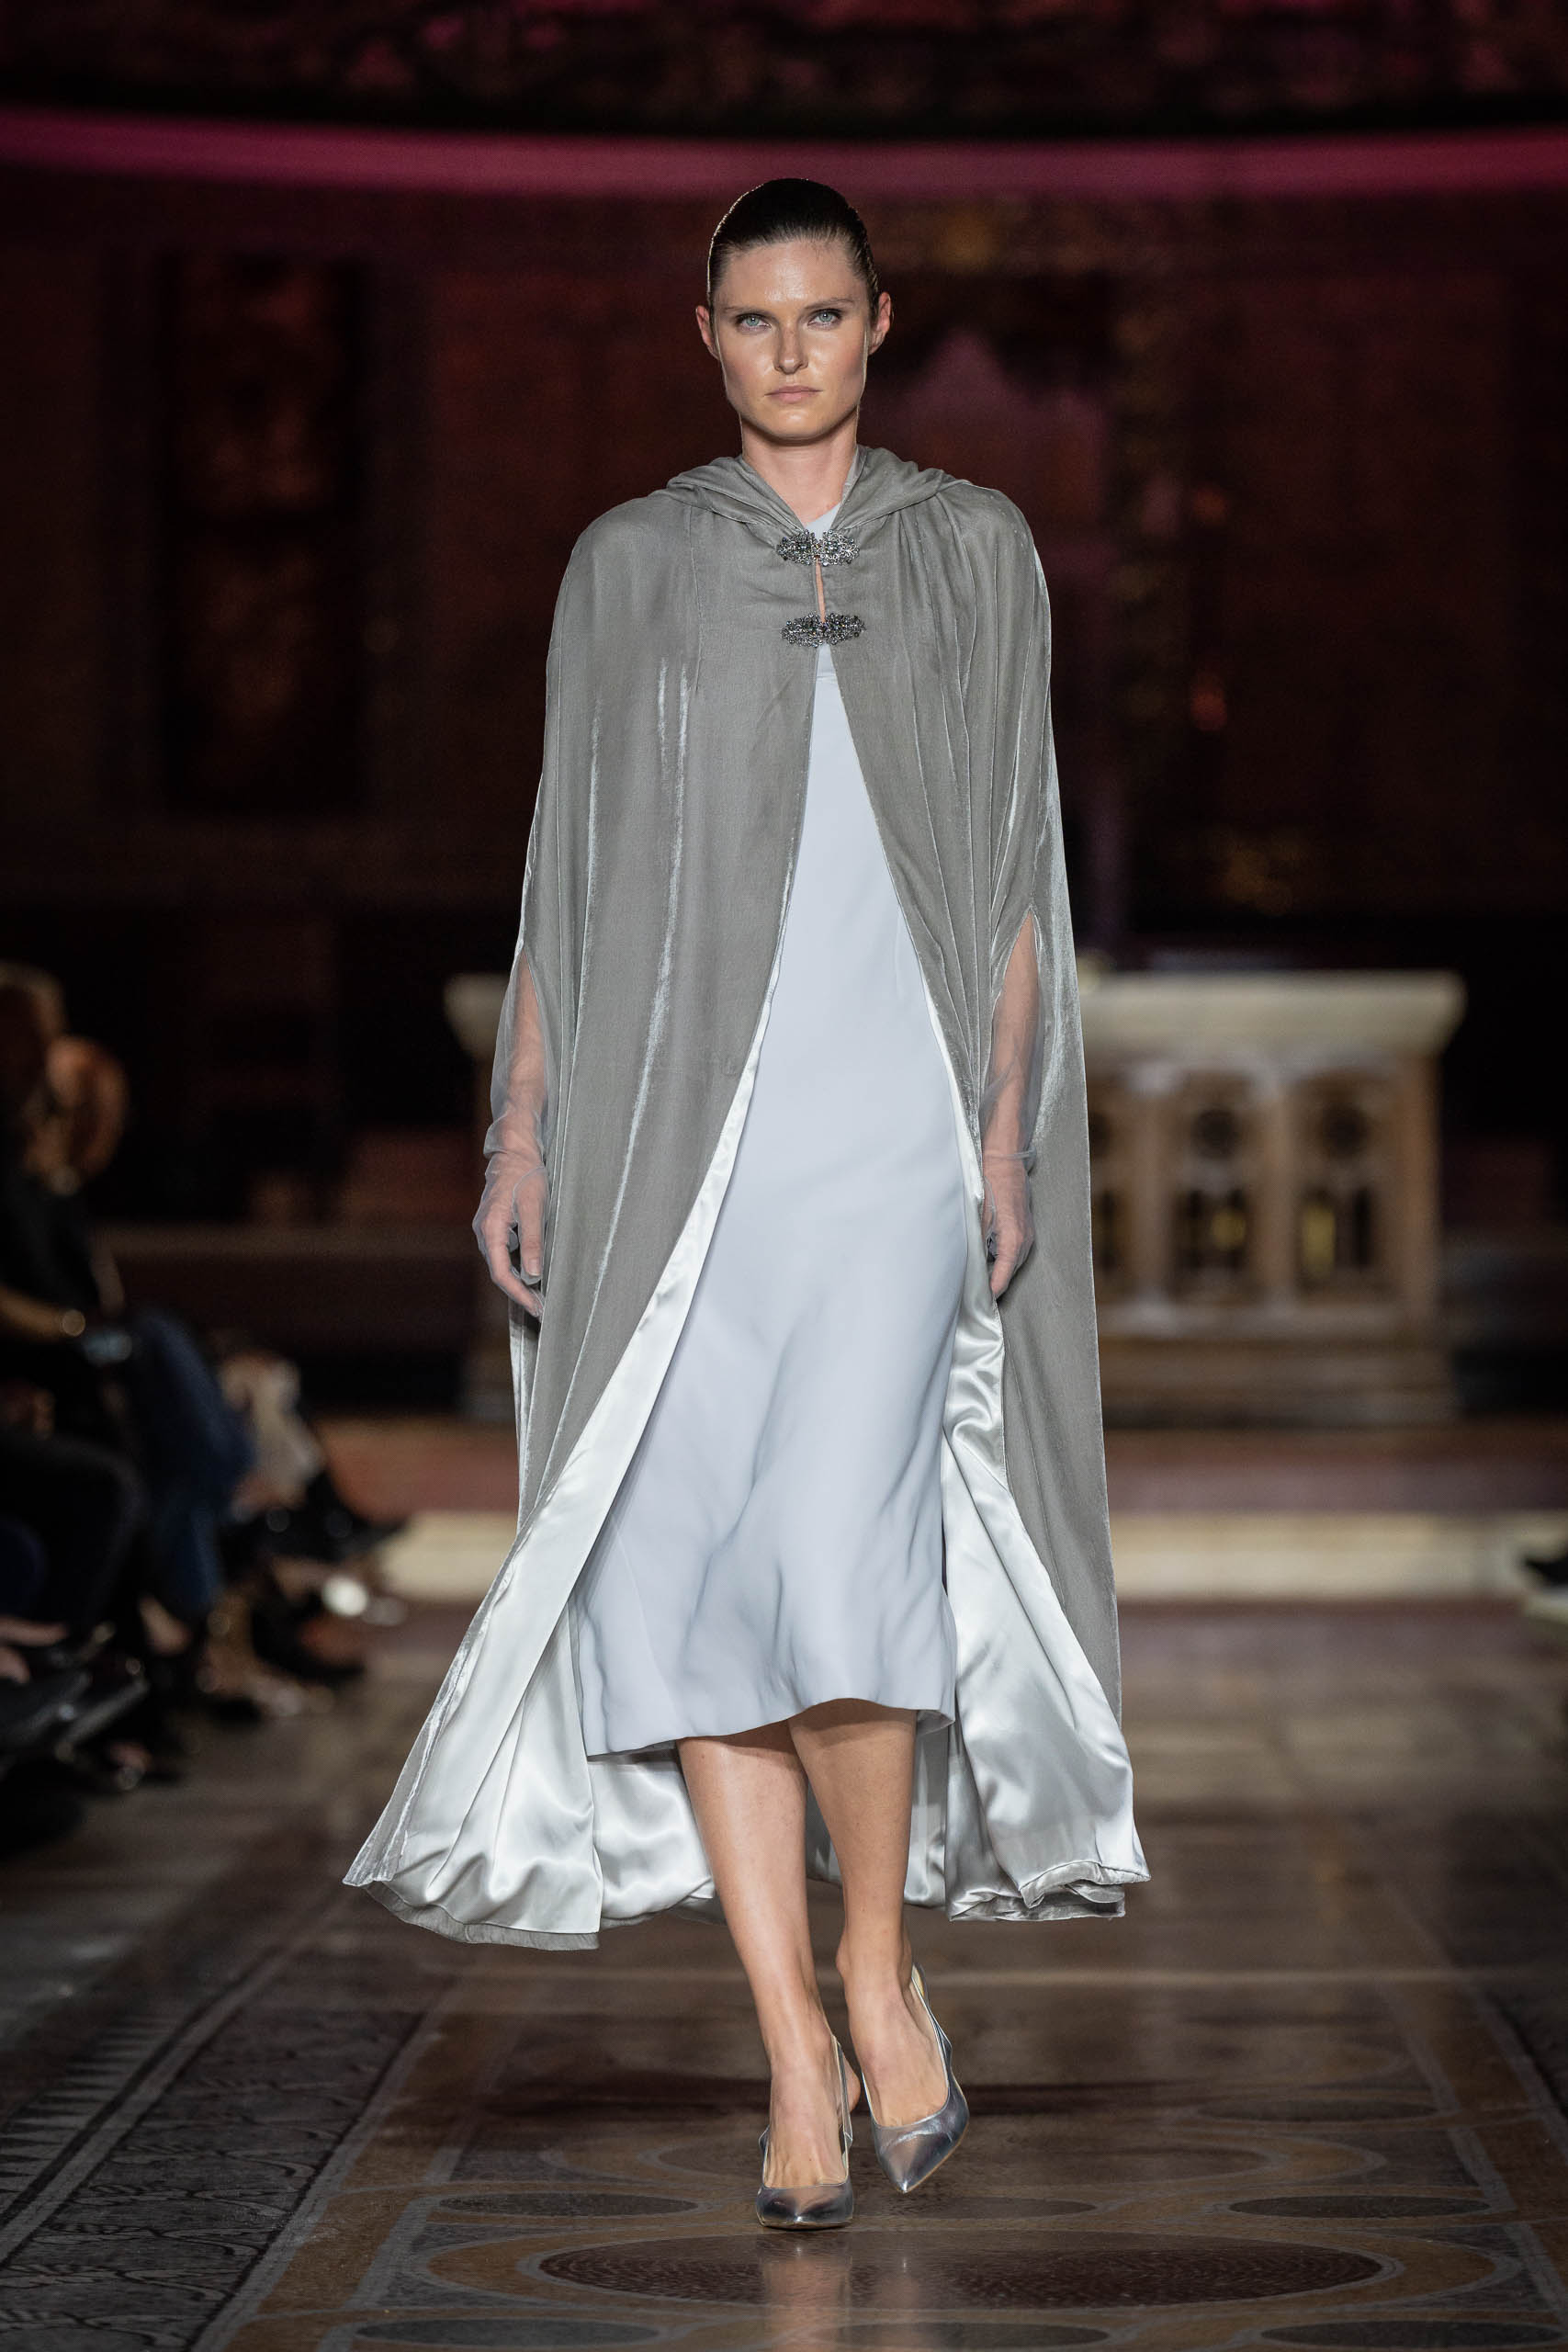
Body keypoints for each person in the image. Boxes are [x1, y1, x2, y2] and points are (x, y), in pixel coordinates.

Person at [348, 180, 1145, 2229]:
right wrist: (524, 1133)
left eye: (822, 316)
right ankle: (794, 2043)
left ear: (878, 322)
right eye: (753, 320)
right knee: (698, 1573)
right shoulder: (626, 562)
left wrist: (1002, 1128)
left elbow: (1013, 865)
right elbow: (568, 868)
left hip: (891, 1132)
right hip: (673, 1135)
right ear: (704, 335)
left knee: (841, 1559)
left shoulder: (973, 549)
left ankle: (876, 1967)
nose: (790, 353)